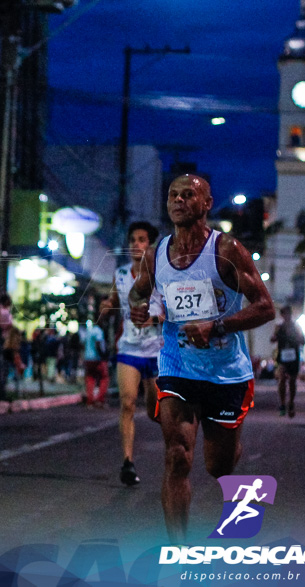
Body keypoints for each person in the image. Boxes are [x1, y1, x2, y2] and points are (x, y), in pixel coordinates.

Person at [129, 174, 274, 544]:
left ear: (207, 203)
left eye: (188, 194)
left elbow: (265, 307)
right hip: (178, 369)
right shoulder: (156, 254)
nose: (178, 200)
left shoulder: (226, 251)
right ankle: (178, 551)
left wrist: (218, 326)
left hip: (226, 375)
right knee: (177, 458)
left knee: (217, 466)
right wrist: (140, 310)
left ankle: (232, 453)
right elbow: (137, 295)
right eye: (172, 195)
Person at [99, 220, 164, 486]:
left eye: (141, 240)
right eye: (133, 240)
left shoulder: (161, 276)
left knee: (153, 411)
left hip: (157, 351)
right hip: (129, 348)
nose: (136, 245)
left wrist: (155, 320)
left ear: (150, 245)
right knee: (127, 403)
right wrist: (106, 305)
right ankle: (127, 462)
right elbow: (113, 300)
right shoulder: (121, 274)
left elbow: (173, 311)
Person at [271, 305, 304, 418]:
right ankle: (282, 404)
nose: (287, 316)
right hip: (283, 356)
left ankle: (291, 402)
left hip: (293, 356)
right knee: (282, 379)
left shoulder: (297, 327)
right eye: (284, 314)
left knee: (292, 381)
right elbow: (272, 339)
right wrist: (276, 337)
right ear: (282, 315)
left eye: (288, 314)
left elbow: (303, 340)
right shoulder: (278, 327)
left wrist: (295, 337)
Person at [80, 319, 108, 407]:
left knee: (90, 378)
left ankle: (90, 400)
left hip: (88, 358)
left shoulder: (89, 331)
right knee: (104, 377)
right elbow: (98, 343)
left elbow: (83, 344)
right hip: (96, 358)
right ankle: (100, 399)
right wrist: (103, 356)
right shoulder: (98, 331)